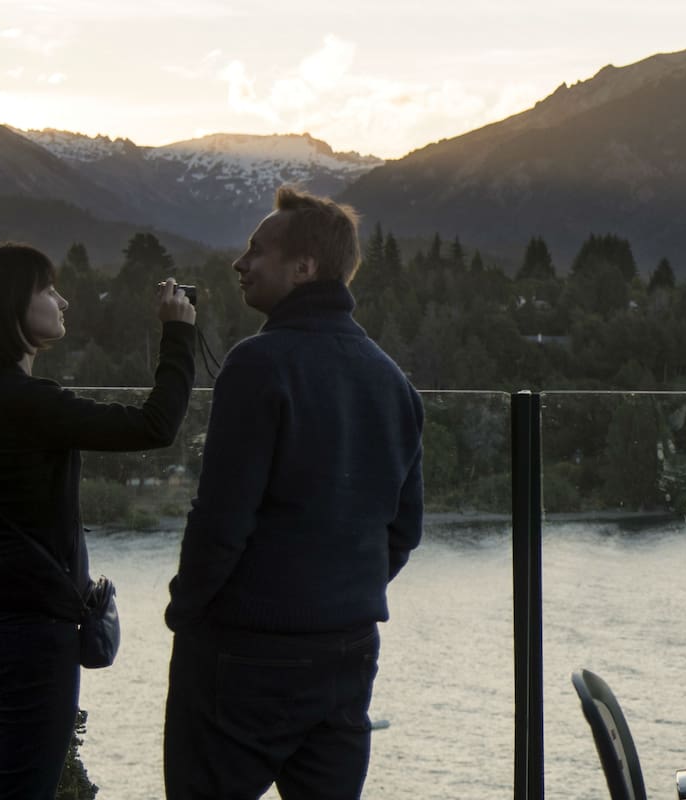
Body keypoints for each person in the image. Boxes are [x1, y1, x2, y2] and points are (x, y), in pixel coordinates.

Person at [0, 243, 197, 800]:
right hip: (33, 632)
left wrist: (4, 554)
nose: (62, 301)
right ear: (11, 305)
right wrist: (179, 333)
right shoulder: (31, 402)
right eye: (47, 289)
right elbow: (155, 426)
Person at [163, 186, 424, 800]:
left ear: (304, 267)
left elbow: (221, 520)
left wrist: (187, 610)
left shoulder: (259, 364)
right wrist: (336, 597)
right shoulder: (392, 381)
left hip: (244, 654)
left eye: (256, 250)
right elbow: (403, 531)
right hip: (349, 651)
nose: (240, 263)